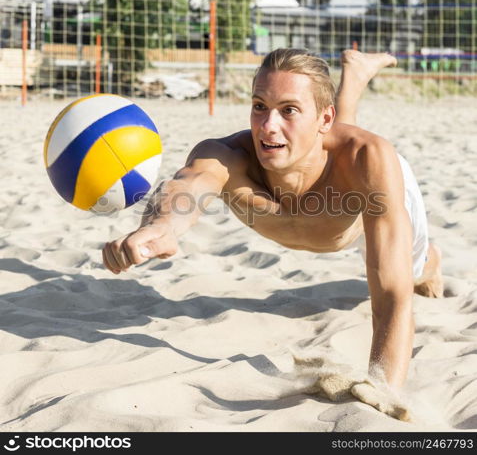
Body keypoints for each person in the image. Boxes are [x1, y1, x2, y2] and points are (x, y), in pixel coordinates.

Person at [102, 48, 443, 389]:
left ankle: (431, 260)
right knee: (322, 143)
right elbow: (186, 187)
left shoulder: (368, 159)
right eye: (259, 106)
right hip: (329, 176)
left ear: (325, 118)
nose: (268, 127)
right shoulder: (227, 157)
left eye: (288, 110)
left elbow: (392, 299)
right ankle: (351, 76)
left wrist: (383, 391)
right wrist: (159, 227)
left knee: (411, 274)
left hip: (356, 218)